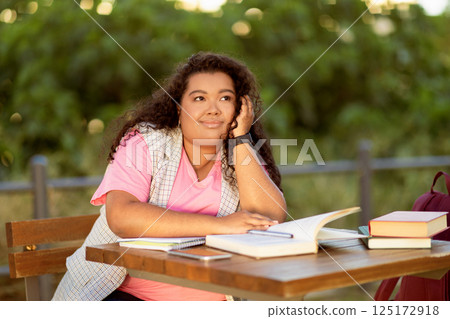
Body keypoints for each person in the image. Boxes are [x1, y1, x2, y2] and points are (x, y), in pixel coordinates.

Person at [52, 52, 287, 301]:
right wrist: (220, 226)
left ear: (240, 109)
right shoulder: (145, 142)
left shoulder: (240, 153)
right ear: (178, 108)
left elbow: (269, 218)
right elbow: (121, 216)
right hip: (123, 296)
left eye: (225, 98)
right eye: (199, 98)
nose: (213, 109)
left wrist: (241, 139)